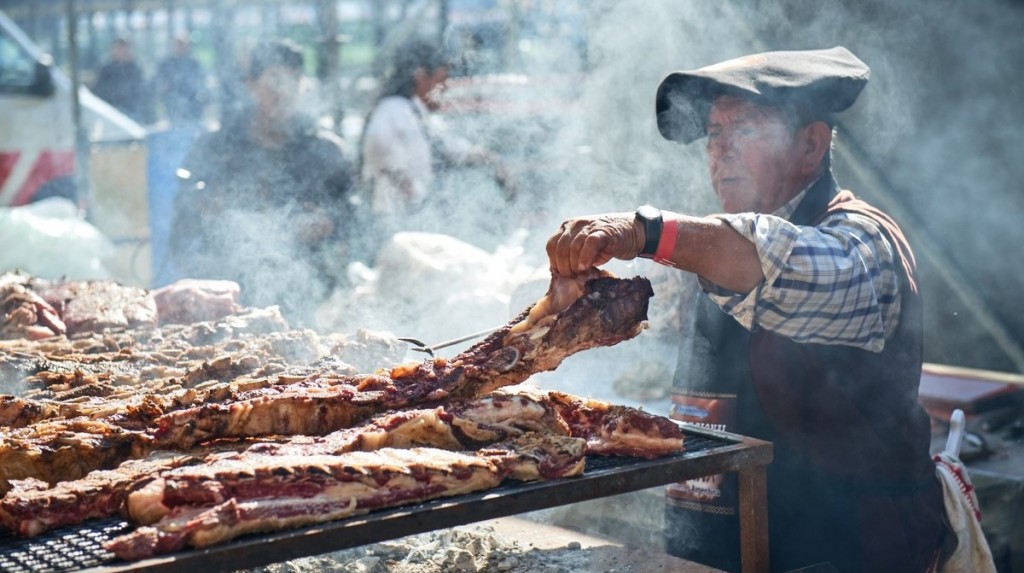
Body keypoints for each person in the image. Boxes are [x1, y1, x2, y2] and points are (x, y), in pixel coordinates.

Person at [545, 47, 947, 572]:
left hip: (836, 551)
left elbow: (777, 257)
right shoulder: (718, 246)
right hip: (715, 544)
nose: (721, 150)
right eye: (714, 134)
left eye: (747, 129)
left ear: (811, 145)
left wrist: (643, 230)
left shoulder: (861, 242)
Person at [168, 39, 356, 326]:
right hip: (227, 301)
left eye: (293, 80)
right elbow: (183, 224)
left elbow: (353, 215)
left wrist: (329, 222)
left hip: (310, 299)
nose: (283, 90)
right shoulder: (216, 148)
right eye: (274, 79)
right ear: (251, 84)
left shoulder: (326, 151)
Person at [358, 37, 514, 257]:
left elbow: (445, 145)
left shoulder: (413, 113)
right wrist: (407, 189)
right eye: (441, 81)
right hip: (393, 228)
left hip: (411, 223)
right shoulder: (393, 111)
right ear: (421, 77)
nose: (444, 89)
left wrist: (489, 159)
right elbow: (383, 154)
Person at [92, 38, 152, 124]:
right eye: (118, 48)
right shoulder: (106, 69)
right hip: (111, 111)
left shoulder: (135, 68)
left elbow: (142, 91)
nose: (121, 51)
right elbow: (99, 91)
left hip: (133, 111)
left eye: (124, 48)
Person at [153, 35, 207, 126]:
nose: (180, 48)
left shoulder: (193, 64)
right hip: (172, 105)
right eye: (177, 45)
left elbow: (199, 83)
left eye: (182, 45)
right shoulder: (166, 64)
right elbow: (159, 82)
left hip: (192, 106)